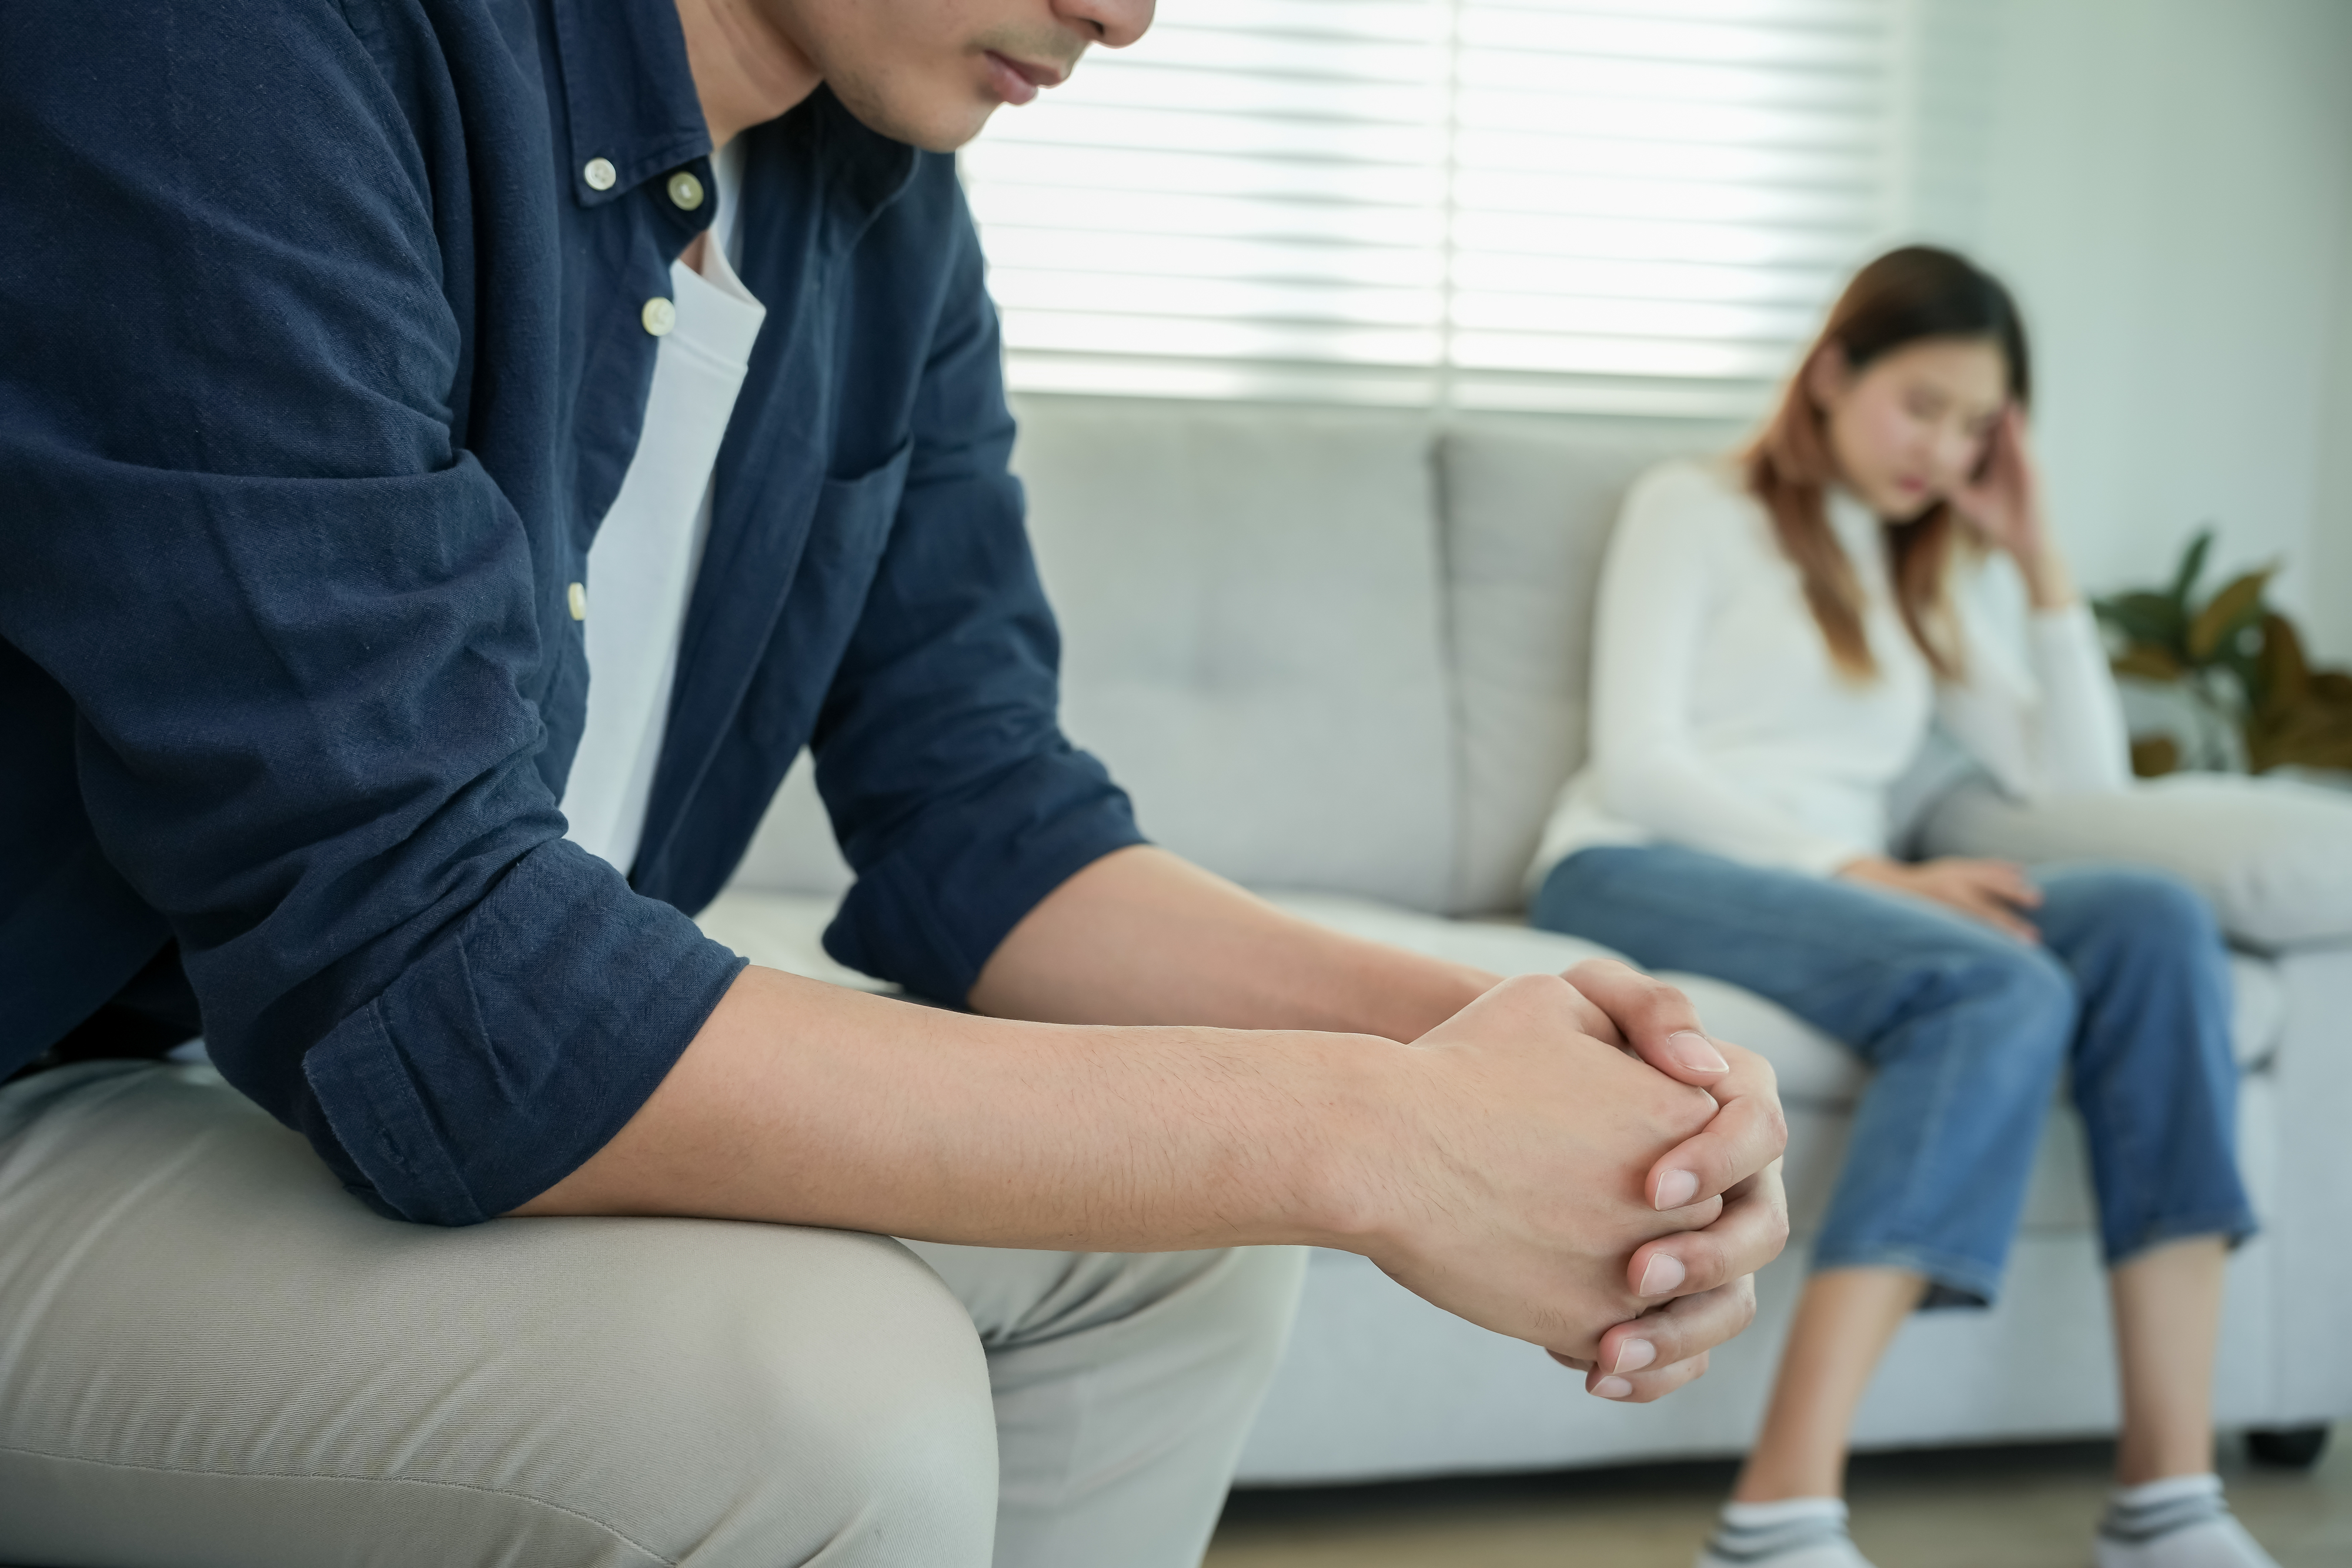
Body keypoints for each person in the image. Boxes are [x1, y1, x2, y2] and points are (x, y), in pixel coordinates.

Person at [0, 0, 1791, 1562]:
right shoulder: (234, 41)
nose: (1129, 14)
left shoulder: (884, 219)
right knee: (825, 1394)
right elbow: (439, 978)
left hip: (283, 1091)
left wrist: (1512, 1042)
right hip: (60, 1075)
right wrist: (1367, 1138)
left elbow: (986, 820)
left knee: (1196, 1249)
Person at [1526, 245, 2269, 1568]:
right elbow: (1640, 756)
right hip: (1633, 859)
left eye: (1975, 424)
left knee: (2153, 918)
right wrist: (1863, 870)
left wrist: (2034, 556)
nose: (1942, 446)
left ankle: (2165, 1503)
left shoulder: (1920, 572)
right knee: (1995, 981)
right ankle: (1774, 1517)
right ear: (1829, 374)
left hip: (1821, 884)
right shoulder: (1689, 506)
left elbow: (2077, 787)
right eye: (1920, 404)